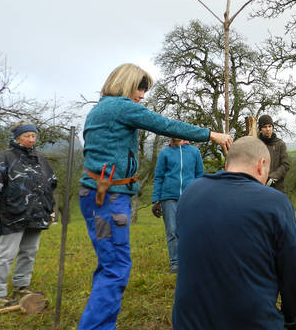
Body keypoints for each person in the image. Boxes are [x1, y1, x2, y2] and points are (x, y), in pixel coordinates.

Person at [78, 63, 232, 330]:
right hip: (110, 199)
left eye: (145, 90)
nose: (142, 95)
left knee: (109, 264)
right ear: (125, 83)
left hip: (97, 195)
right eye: (140, 88)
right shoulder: (121, 107)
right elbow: (165, 125)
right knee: (116, 267)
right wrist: (210, 135)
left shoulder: (100, 109)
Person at [172, 136, 296, 329]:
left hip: (188, 322)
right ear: (261, 165)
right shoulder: (275, 202)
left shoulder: (190, 192)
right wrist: (293, 315)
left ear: (227, 163)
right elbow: (295, 274)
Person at [0, 121, 57, 308]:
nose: (31, 139)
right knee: (6, 254)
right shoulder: (5, 157)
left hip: (37, 214)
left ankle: (21, 286)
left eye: (33, 136)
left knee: (30, 252)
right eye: (27, 136)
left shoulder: (40, 159)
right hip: (11, 213)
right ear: (17, 138)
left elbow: (50, 185)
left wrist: (50, 209)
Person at [151, 138, 204, 274]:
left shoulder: (194, 152)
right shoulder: (165, 153)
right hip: (168, 197)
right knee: (172, 230)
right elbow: (158, 177)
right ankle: (175, 264)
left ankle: (191, 261)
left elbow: (199, 175)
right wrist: (156, 200)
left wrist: (200, 195)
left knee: (190, 230)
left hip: (190, 196)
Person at [257, 114, 290, 193]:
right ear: (260, 129)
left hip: (277, 188)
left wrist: (273, 178)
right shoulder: (256, 144)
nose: (268, 129)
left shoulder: (280, 144)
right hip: (259, 186)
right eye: (265, 127)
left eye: (270, 126)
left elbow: (285, 164)